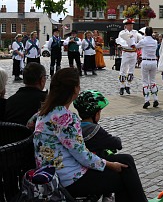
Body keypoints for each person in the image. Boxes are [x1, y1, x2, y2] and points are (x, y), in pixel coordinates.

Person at [30, 68, 154, 201]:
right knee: (123, 179)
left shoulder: (43, 112)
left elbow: (30, 125)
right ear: (75, 89)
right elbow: (82, 156)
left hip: (55, 171)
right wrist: (110, 164)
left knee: (126, 160)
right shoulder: (66, 118)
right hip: (68, 178)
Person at [73, 89, 120, 202]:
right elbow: (116, 143)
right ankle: (108, 196)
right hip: (89, 171)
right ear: (96, 113)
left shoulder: (76, 126)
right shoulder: (94, 129)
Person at [135, 27, 159, 108]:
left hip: (145, 61)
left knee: (145, 82)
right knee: (153, 81)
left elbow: (135, 46)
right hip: (154, 61)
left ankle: (147, 100)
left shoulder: (143, 41)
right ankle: (155, 99)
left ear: (145, 33)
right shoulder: (155, 41)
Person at [117, 18, 142, 95]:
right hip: (126, 52)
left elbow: (140, 40)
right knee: (123, 69)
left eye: (131, 25)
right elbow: (120, 41)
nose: (131, 26)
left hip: (133, 52)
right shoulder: (122, 32)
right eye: (129, 25)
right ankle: (122, 86)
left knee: (131, 69)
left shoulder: (135, 33)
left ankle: (128, 85)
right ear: (126, 25)